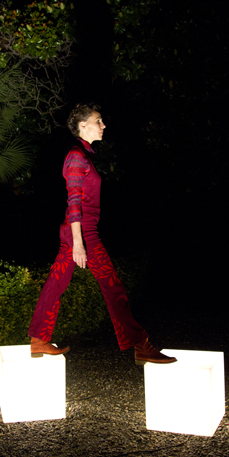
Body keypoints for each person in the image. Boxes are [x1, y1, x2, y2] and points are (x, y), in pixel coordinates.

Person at [27, 103, 176, 365]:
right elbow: (73, 202)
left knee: (56, 284)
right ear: (83, 125)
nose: (103, 125)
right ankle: (141, 345)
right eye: (98, 120)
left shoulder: (83, 155)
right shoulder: (76, 156)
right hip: (83, 233)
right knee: (113, 288)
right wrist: (79, 243)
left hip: (79, 231)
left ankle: (39, 338)